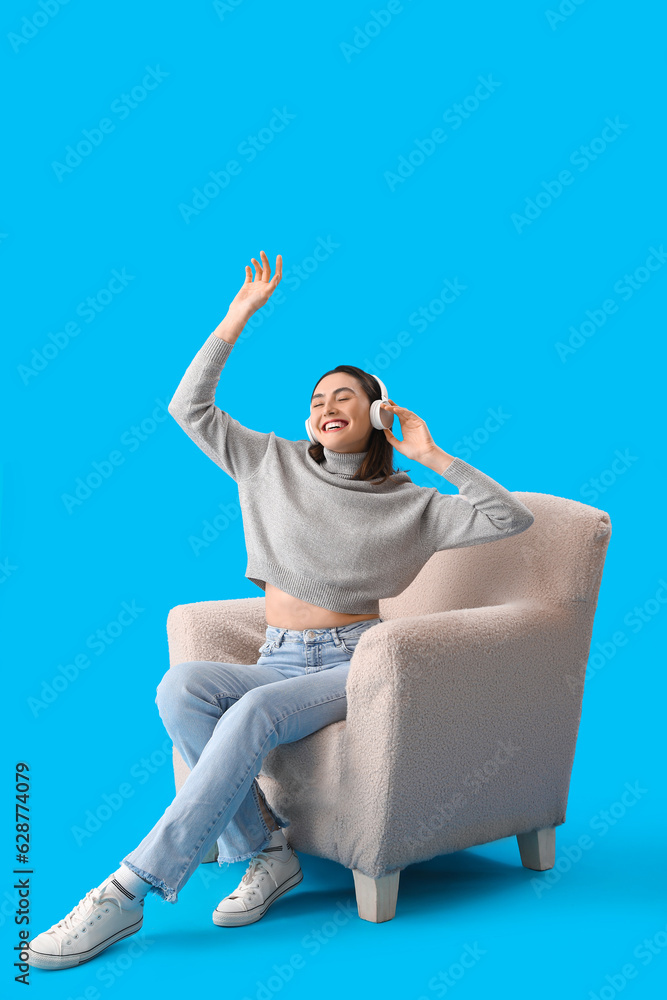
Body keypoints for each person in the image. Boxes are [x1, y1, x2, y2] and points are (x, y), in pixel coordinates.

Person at [27, 251, 535, 970]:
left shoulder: (412, 504)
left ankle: (128, 890)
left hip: (355, 660)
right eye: (318, 398)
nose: (326, 407)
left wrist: (432, 452)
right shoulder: (269, 461)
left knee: (251, 716)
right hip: (278, 657)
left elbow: (507, 519)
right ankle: (269, 852)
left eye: (346, 399)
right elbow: (188, 409)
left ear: (378, 417)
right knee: (182, 688)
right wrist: (235, 320)